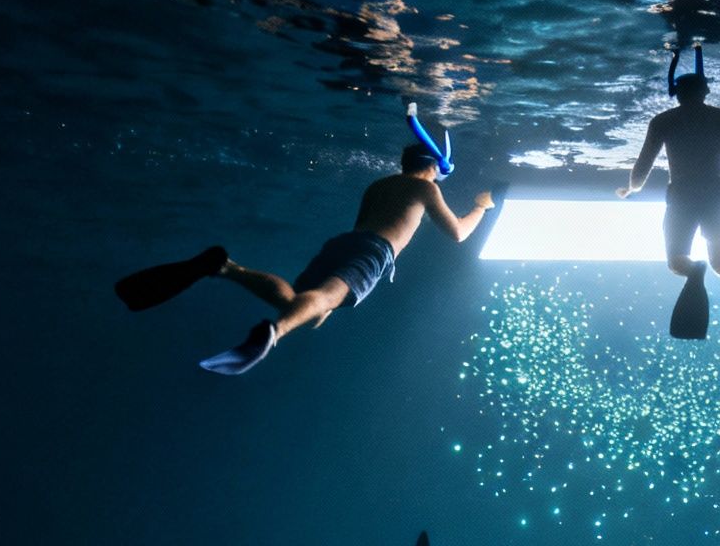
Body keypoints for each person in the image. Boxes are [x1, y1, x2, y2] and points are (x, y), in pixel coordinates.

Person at [114, 143, 494, 375]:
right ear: (433, 164)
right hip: (374, 252)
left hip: (344, 243)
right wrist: (481, 207)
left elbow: (373, 219)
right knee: (325, 299)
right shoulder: (424, 187)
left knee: (309, 311)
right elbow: (458, 232)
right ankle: (274, 332)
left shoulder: (379, 183)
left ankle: (227, 268)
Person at [618, 63, 720, 339]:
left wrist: (632, 188)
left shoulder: (663, 121)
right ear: (707, 91)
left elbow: (643, 165)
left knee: (676, 260)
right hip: (716, 192)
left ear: (676, 94)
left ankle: (693, 271)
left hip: (681, 195)